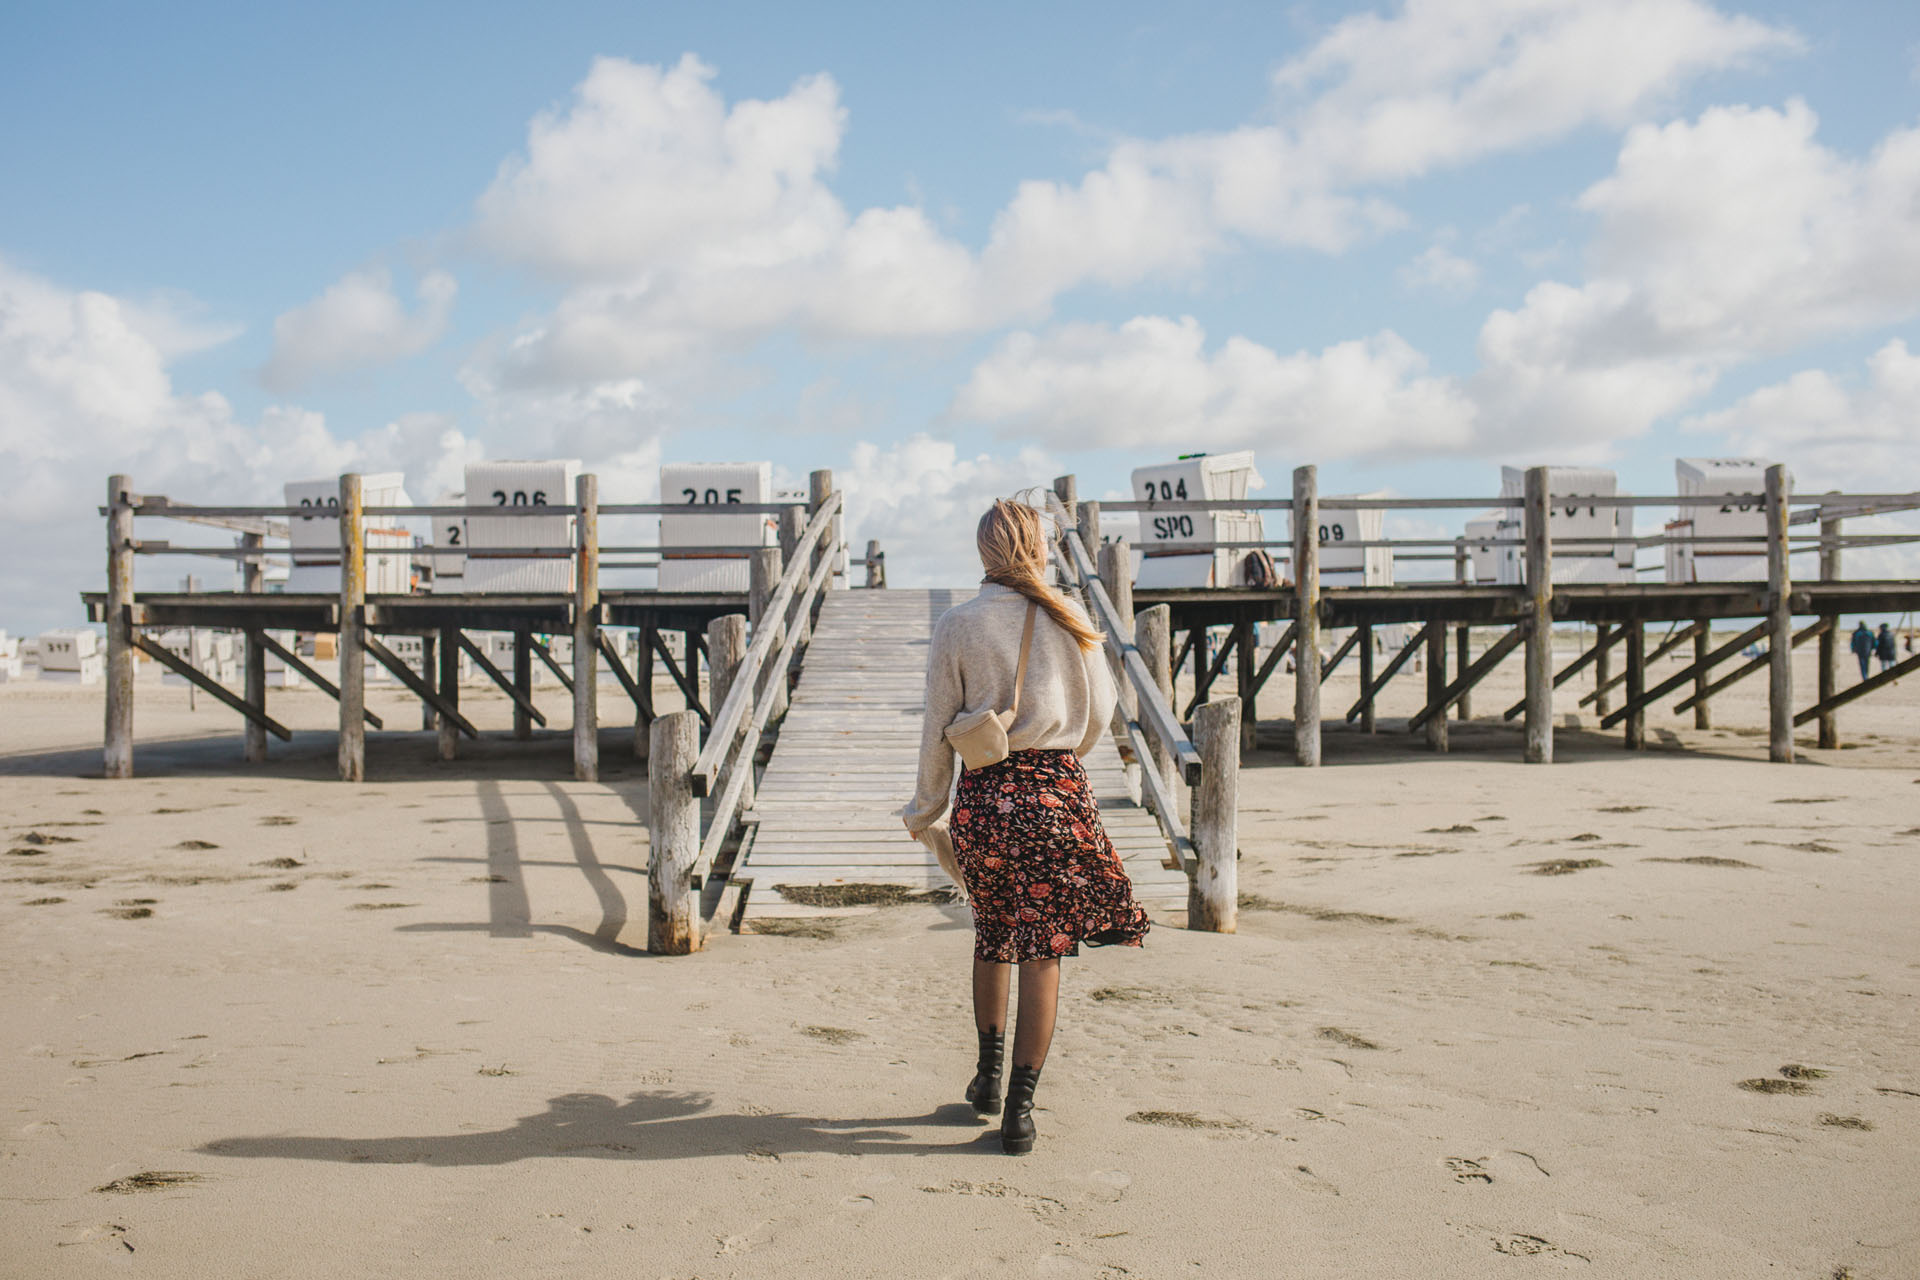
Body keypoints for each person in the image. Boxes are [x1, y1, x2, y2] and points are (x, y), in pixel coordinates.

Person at [902, 497, 1150, 1156]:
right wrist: (1057, 750)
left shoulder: (958, 624)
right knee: (1043, 952)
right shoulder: (1072, 618)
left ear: (984, 552)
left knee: (992, 932)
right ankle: (1019, 1111)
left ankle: (984, 1077)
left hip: (986, 797)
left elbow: (937, 724)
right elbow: (1101, 717)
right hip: (1057, 794)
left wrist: (926, 807)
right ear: (1040, 549)